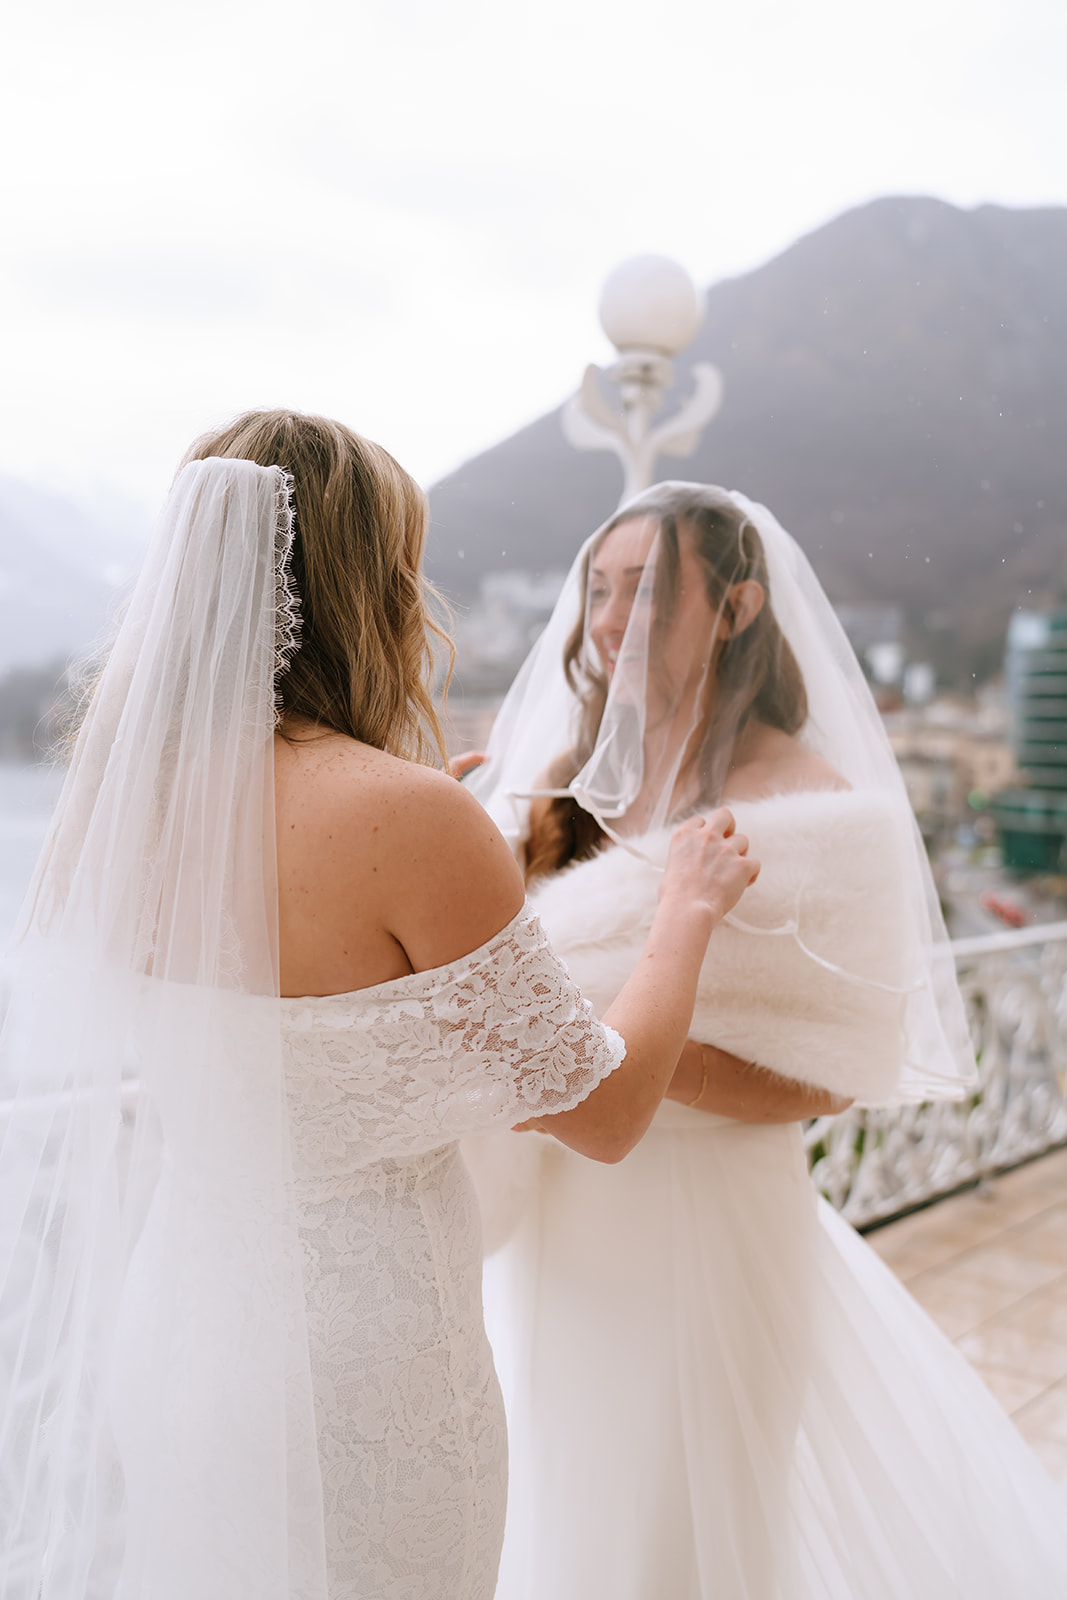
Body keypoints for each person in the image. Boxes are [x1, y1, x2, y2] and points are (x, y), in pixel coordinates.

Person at [0, 422, 759, 1600]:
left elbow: (276, 1005)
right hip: (361, 1370)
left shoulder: (124, 807)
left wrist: (425, 828)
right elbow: (604, 1114)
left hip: (176, 1330)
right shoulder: (410, 822)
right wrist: (685, 914)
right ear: (364, 582)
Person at [464, 482, 1067, 1600]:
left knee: (684, 1538)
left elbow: (830, 1077)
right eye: (597, 589)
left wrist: (623, 1056)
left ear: (734, 605)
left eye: (644, 589)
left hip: (707, 1223)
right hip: (563, 1226)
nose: (608, 620)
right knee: (564, 1518)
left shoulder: (818, 806)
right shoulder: (565, 792)